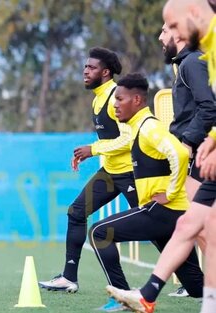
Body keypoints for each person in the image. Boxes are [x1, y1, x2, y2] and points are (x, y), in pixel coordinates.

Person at [89, 73, 204, 312]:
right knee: (197, 287)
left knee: (100, 232)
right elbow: (120, 143)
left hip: (163, 211)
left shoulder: (149, 127)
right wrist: (93, 149)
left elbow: (180, 154)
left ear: (138, 100)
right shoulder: (136, 128)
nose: (115, 104)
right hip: (173, 215)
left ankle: (122, 299)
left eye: (120, 99)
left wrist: (170, 192)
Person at [37, 47, 139, 312]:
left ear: (105, 73)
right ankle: (69, 278)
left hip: (132, 173)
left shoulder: (118, 95)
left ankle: (194, 283)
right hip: (111, 172)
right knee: (76, 212)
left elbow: (129, 138)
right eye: (85, 67)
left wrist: (92, 150)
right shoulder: (97, 99)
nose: (85, 71)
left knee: (162, 227)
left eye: (91, 68)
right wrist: (91, 152)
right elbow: (111, 139)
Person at [158, 22, 216, 297]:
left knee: (201, 227)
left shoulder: (192, 62)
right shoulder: (187, 62)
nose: (160, 37)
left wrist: (188, 142)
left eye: (165, 31)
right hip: (196, 150)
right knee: (199, 227)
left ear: (179, 34)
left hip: (200, 153)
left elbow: (209, 107)